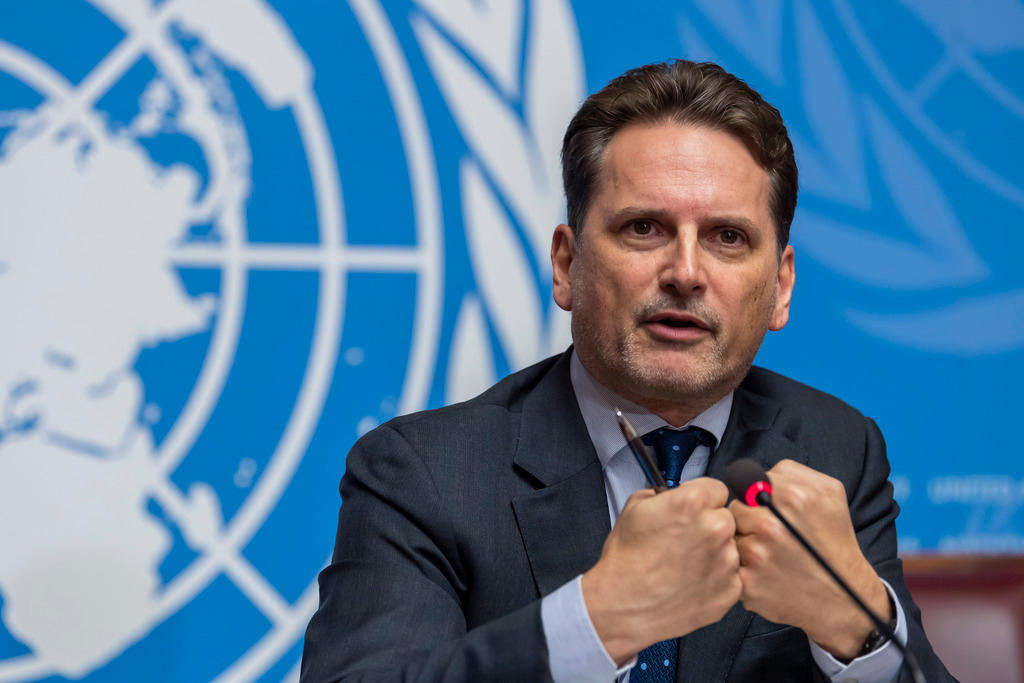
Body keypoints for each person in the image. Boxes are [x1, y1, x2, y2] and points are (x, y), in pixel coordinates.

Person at [300, 60, 954, 682]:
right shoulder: (425, 474)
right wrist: (600, 619)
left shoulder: (835, 450)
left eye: (727, 237)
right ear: (567, 265)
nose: (686, 273)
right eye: (644, 228)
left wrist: (855, 623)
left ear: (781, 286)